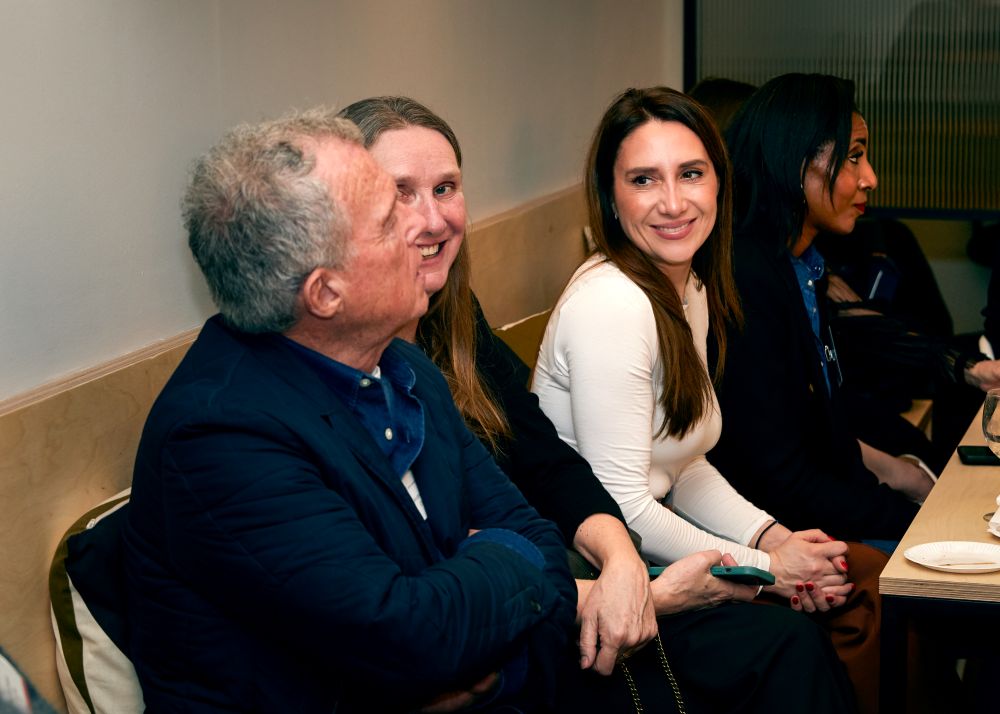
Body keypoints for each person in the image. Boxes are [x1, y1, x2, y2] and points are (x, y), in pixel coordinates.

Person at [339, 95, 859, 713]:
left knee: (834, 614)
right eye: (402, 192)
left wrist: (767, 544)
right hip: (539, 599)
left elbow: (558, 460)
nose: (673, 202)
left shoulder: (682, 288)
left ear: (723, 185)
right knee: (791, 647)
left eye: (445, 188)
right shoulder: (612, 304)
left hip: (563, 573)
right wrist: (754, 568)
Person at [121, 109, 580, 713]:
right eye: (391, 219)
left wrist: (489, 662)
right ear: (325, 293)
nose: (423, 227)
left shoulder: (404, 368)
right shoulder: (221, 436)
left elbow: (541, 545)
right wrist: (496, 561)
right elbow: (411, 638)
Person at [710, 73, 935, 544]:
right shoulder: (746, 277)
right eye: (854, 157)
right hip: (781, 536)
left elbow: (827, 424)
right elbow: (779, 479)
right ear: (796, 164)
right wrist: (913, 525)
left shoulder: (799, 264)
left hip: (824, 505)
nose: (870, 178)